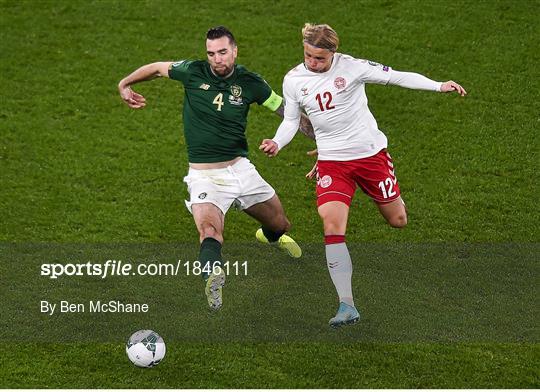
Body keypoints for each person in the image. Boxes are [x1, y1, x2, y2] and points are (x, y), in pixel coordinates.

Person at [260, 23, 467, 327]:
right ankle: (347, 305)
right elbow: (291, 120)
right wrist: (277, 141)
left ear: (333, 53)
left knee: (398, 221)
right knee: (331, 225)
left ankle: (392, 193)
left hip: (371, 156)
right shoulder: (294, 80)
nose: (313, 63)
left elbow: (396, 76)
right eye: (308, 56)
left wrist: (438, 85)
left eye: (320, 59)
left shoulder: (353, 67)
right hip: (333, 162)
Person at [118, 26, 312, 311]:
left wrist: (326, 138)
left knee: (280, 225)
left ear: (234, 50)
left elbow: (287, 112)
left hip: (242, 170)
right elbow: (158, 68)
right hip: (205, 176)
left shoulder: (250, 82)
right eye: (211, 53)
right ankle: (213, 276)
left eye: (222, 52)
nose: (217, 59)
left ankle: (269, 237)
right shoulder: (193, 72)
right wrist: (125, 83)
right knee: (209, 231)